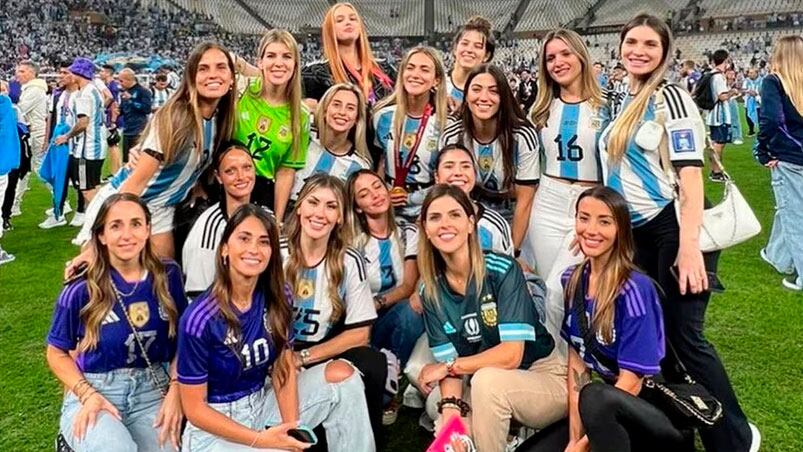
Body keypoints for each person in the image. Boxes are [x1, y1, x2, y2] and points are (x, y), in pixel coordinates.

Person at [600, 14, 760, 451]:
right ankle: (680, 433)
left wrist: (688, 247)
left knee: (686, 339)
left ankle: (736, 438)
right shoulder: (626, 97)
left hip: (674, 228)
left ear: (665, 52)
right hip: (640, 236)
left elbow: (691, 175)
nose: (639, 50)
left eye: (650, 44)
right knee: (660, 345)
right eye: (632, 41)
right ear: (619, 46)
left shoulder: (671, 97)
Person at [178, 204, 374, 451]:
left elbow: (283, 366)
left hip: (261, 400)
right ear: (225, 249)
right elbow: (195, 410)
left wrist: (290, 430)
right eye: (244, 238)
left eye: (264, 242)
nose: (254, 249)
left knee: (343, 377)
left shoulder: (279, 296)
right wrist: (262, 440)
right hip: (216, 428)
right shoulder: (199, 319)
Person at [520, 186, 684, 452]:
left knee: (597, 396)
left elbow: (632, 382)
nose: (591, 229)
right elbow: (578, 367)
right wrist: (574, 437)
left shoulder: (635, 289)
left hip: (649, 410)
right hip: (602, 411)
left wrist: (583, 446)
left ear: (620, 230)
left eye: (604, 221)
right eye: (583, 218)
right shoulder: (572, 279)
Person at [416, 185, 564, 452]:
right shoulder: (430, 291)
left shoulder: (502, 269)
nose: (445, 224)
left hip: (542, 374)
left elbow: (511, 355)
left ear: (471, 223)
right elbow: (448, 362)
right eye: (435, 217)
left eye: (454, 215)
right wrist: (451, 412)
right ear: (425, 228)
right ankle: (506, 439)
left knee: (487, 382)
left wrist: (450, 367)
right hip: (485, 378)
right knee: (443, 417)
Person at [46, 193, 188, 451]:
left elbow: (183, 342)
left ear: (148, 230)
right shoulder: (81, 288)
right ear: (101, 235)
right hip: (97, 389)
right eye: (115, 225)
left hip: (152, 389)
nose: (127, 234)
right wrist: (87, 395)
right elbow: (56, 352)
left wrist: (176, 391)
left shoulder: (169, 275)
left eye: (135, 224)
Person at [70, 42, 236, 261]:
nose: (213, 75)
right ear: (191, 77)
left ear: (232, 78)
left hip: (161, 208)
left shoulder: (220, 120)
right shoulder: (176, 117)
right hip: (127, 200)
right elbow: (136, 183)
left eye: (221, 67)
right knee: (101, 280)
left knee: (165, 279)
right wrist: (101, 239)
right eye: (203, 68)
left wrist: (196, 185)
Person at [281, 174, 387, 443]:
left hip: (318, 349)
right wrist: (285, 358)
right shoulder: (275, 252)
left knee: (372, 362)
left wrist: (303, 358)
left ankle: (367, 435)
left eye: (331, 206)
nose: (320, 213)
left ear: (340, 216)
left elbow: (360, 334)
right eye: (313, 202)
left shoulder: (349, 259)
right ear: (300, 207)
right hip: (276, 350)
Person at [523, 29, 610, 342]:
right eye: (550, 58)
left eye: (565, 54)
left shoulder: (607, 106)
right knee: (549, 284)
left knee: (566, 286)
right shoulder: (540, 109)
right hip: (548, 201)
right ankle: (561, 366)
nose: (558, 62)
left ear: (580, 56)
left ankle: (568, 362)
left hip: (588, 204)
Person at [439, 64, 540, 257]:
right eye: (476, 89)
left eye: (493, 91)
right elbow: (448, 190)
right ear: (466, 96)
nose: (484, 98)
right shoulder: (453, 135)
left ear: (503, 98)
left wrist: (514, 252)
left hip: (512, 212)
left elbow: (525, 200)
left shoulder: (522, 135)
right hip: (469, 209)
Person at [345, 169, 423, 369]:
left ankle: (397, 371)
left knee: (410, 309)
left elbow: (408, 286)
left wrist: (378, 302)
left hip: (390, 312)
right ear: (358, 207)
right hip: (358, 320)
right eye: (364, 194)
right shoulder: (351, 241)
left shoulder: (408, 232)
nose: (374, 194)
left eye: (378, 186)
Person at [231, 29, 310, 221]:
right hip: (226, 183)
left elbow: (285, 171)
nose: (278, 63)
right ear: (260, 62)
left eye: (287, 56)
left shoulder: (301, 116)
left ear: (295, 65)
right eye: (271, 56)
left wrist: (278, 219)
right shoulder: (241, 91)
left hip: (262, 192)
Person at [373, 46, 447, 222]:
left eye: (424, 69)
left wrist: (417, 199)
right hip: (387, 207)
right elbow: (378, 164)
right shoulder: (382, 117)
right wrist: (382, 194)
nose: (415, 74)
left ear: (436, 80)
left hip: (427, 209)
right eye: (410, 67)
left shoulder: (445, 124)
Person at [754, 35, 803, 292]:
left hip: (790, 157)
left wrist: (763, 150)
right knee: (788, 207)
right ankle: (777, 256)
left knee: (794, 214)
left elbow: (772, 120)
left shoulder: (773, 82)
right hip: (796, 155)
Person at [182, 144, 257, 297]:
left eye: (247, 167)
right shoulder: (207, 228)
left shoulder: (266, 217)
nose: (241, 176)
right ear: (218, 177)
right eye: (230, 171)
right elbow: (197, 296)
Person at [301, 2, 395, 109]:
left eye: (353, 19)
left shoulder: (385, 69)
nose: (348, 22)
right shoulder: (315, 74)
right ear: (330, 30)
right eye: (340, 20)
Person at [289, 83, 372, 203]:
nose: (342, 112)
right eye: (336, 105)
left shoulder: (359, 166)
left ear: (357, 119)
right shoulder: (303, 137)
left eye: (350, 108)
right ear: (324, 110)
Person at [55, 58, 108, 230]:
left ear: (79, 73)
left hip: (88, 148)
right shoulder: (93, 90)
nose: (69, 75)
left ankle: (102, 223)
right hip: (97, 145)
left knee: (87, 189)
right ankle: (101, 220)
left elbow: (83, 122)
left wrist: (67, 136)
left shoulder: (84, 94)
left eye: (71, 72)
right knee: (94, 186)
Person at [433, 144, 512, 255]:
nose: (458, 173)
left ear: (475, 174)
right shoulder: (427, 223)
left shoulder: (493, 224)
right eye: (449, 166)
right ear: (436, 176)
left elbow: (507, 269)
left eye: (465, 166)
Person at [13, 60, 48, 214]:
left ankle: (60, 200)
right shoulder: (31, 88)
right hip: (32, 132)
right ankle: (15, 204)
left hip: (35, 133)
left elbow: (20, 110)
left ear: (31, 73)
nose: (17, 74)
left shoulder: (34, 90)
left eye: (22, 71)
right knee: (24, 169)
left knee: (39, 168)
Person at [445, 16, 495, 112]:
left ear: (487, 56)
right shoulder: (437, 86)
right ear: (455, 48)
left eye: (478, 46)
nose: (469, 50)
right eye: (464, 43)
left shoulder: (492, 93)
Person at [706, 49, 736, 182]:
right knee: (719, 143)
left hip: (713, 114)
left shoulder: (712, 74)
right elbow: (722, 96)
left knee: (715, 143)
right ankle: (717, 172)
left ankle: (714, 171)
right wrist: (732, 92)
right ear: (725, 60)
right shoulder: (718, 76)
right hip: (720, 115)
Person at [118, 68, 153, 163]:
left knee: (136, 160)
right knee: (126, 160)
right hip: (126, 130)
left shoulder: (143, 91)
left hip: (139, 131)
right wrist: (116, 111)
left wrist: (131, 100)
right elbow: (122, 110)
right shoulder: (124, 93)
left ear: (129, 80)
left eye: (121, 81)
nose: (119, 83)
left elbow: (147, 109)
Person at [743, 67, 761, 136]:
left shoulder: (762, 80)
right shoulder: (746, 80)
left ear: (756, 73)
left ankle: (761, 131)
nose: (749, 74)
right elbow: (743, 89)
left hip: (758, 102)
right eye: (749, 73)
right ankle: (751, 130)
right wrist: (748, 91)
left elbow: (763, 89)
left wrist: (757, 93)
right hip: (748, 102)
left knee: (760, 117)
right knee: (748, 117)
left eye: (751, 73)